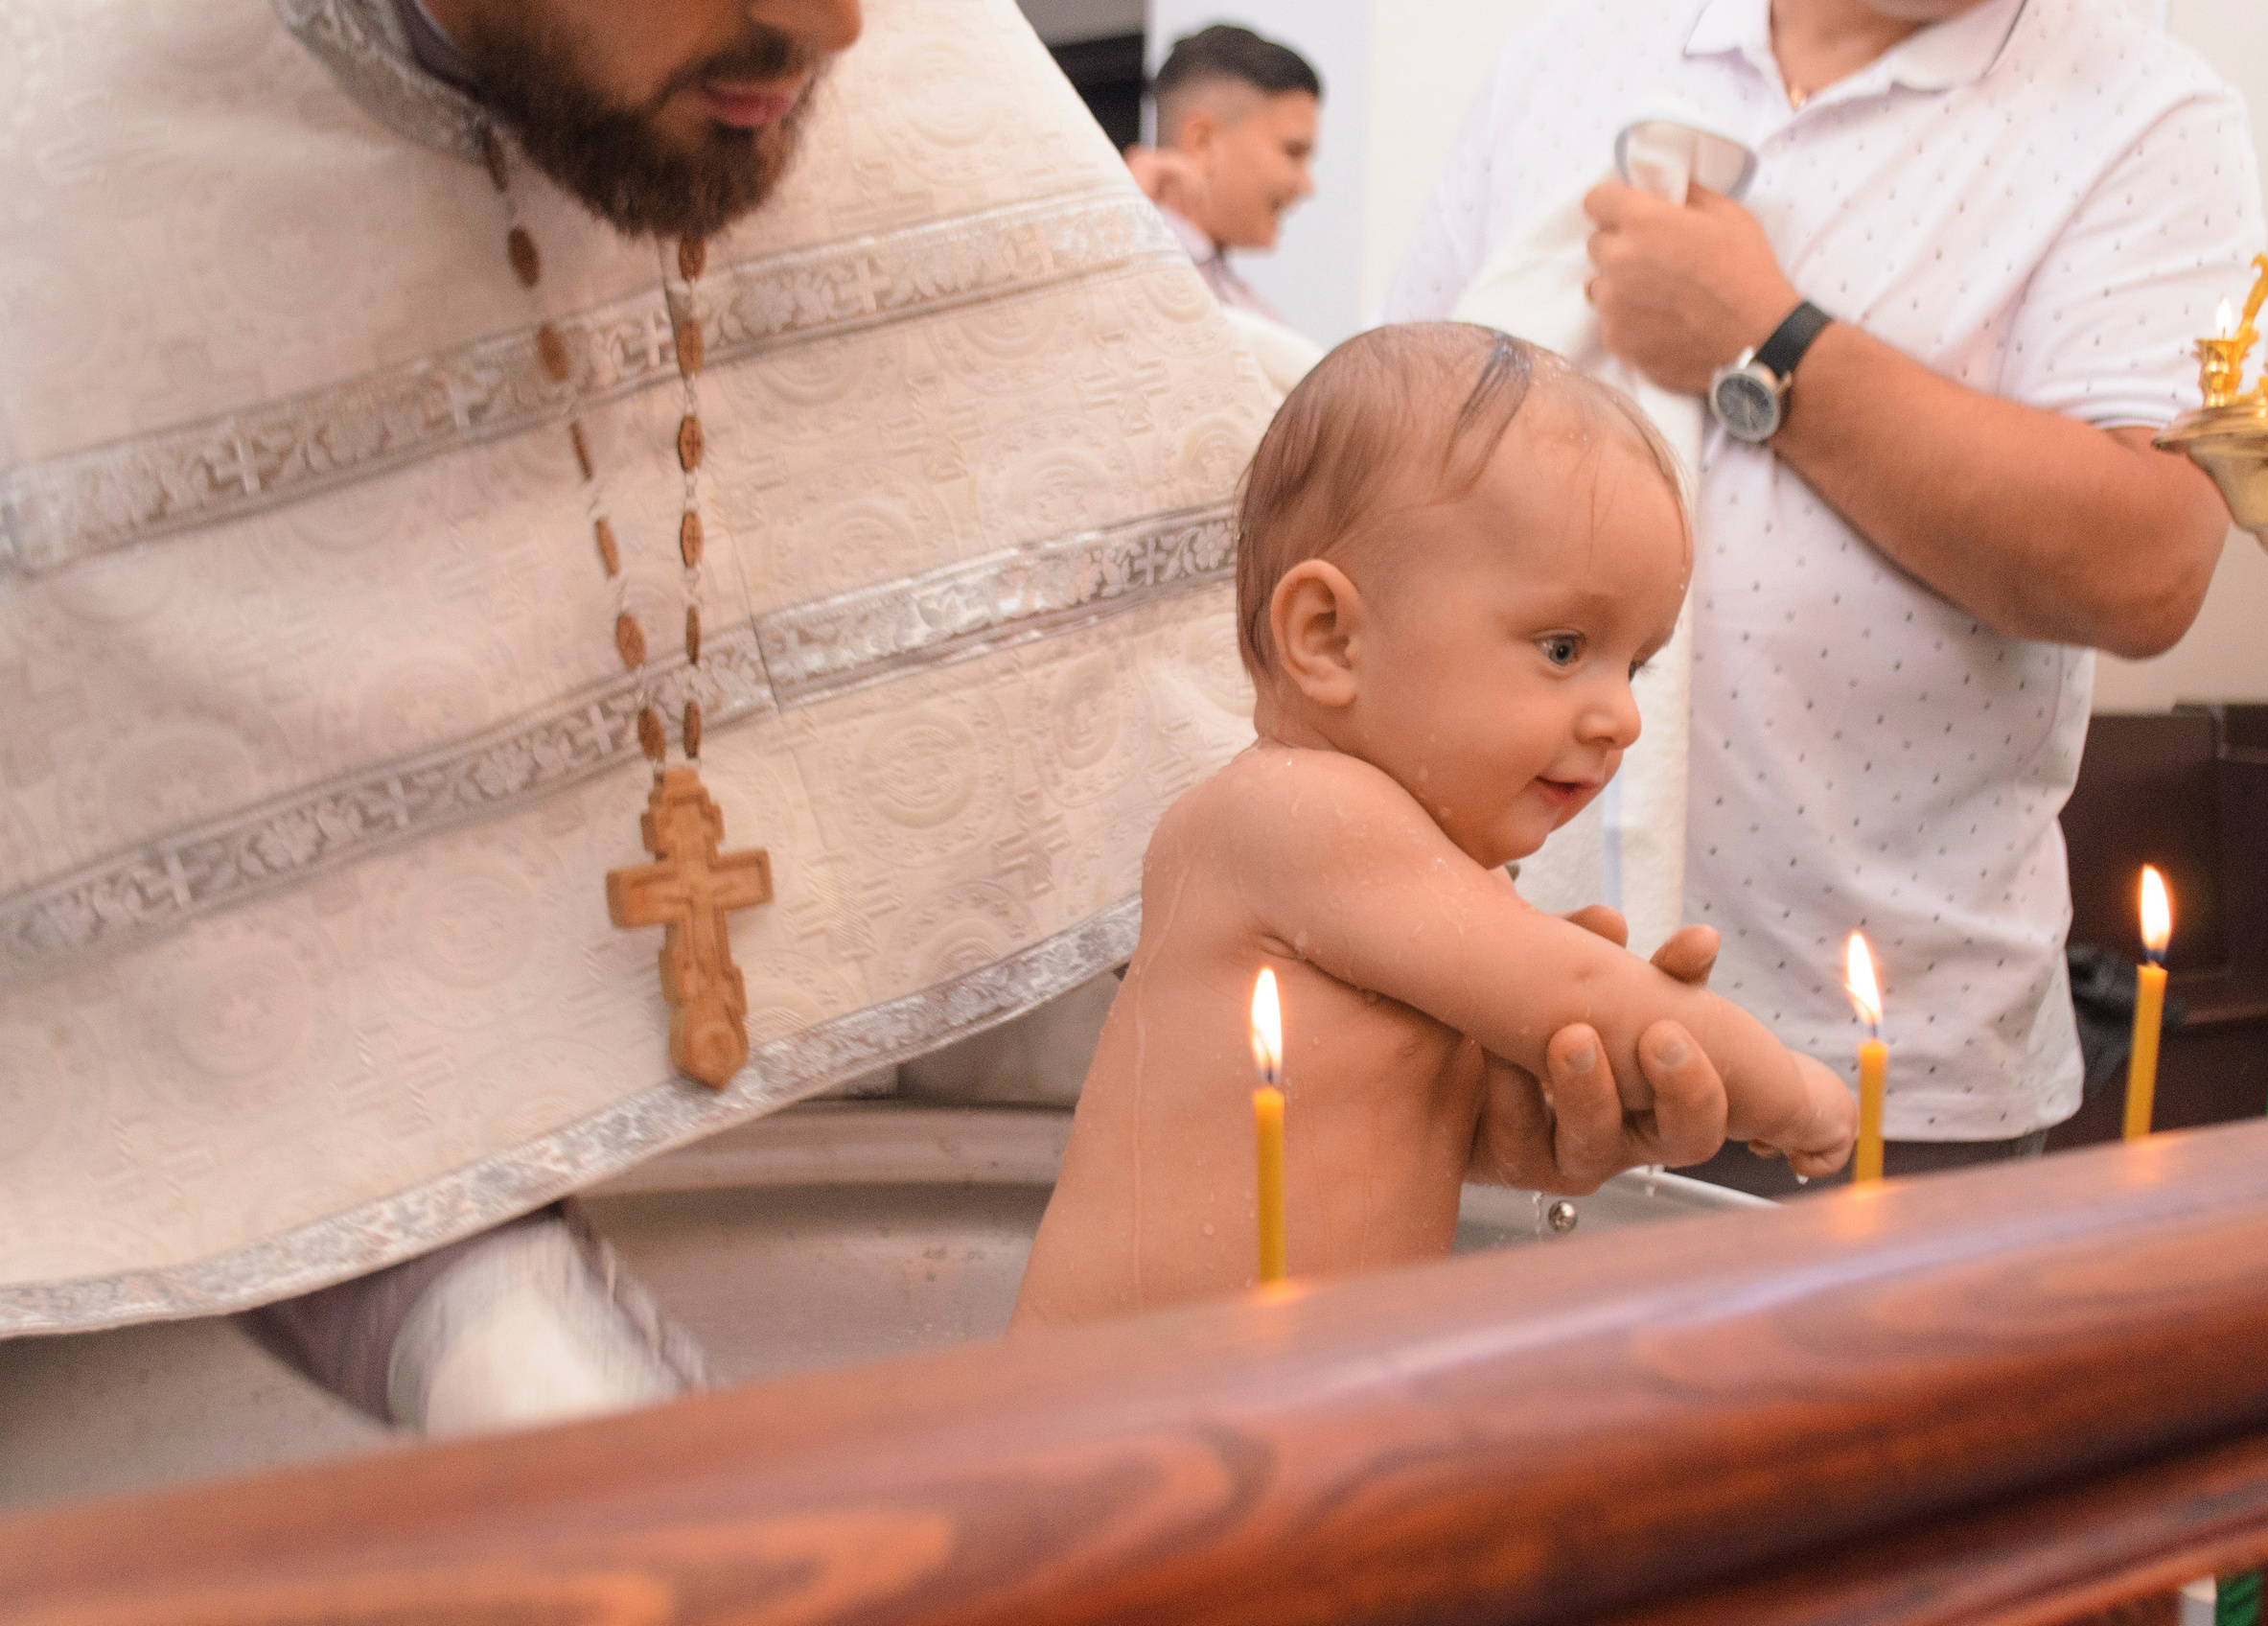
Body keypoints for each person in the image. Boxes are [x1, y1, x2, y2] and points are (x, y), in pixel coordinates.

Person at [0, 0, 1702, 1432]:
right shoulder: (57, 190)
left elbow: (1111, 751)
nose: (837, 27)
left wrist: (1387, 1067)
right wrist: (482, 1335)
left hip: (961, 1335)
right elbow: (128, 1017)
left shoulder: (893, 75)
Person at [1382, 0, 2261, 1191]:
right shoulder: (1572, 52)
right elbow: (1390, 446)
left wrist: (1763, 337)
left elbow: (2145, 563)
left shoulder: (2144, 110)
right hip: (1482, 1016)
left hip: (1882, 1071)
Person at [1011, 325, 1857, 1329]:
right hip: (1132, 1411)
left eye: (1633, 665)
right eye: (1562, 646)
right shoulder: (1296, 815)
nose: (1623, 716)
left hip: (1262, 1406)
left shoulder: (1401, 873)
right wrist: (1795, 1090)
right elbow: (1589, 990)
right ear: (1327, 638)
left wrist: (1519, 1115)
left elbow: (1368, 1133)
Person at [1124, 23, 1319, 328]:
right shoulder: (1114, 270)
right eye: (1292, 152)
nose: (1308, 186)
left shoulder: (1257, 313)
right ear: (1203, 143)